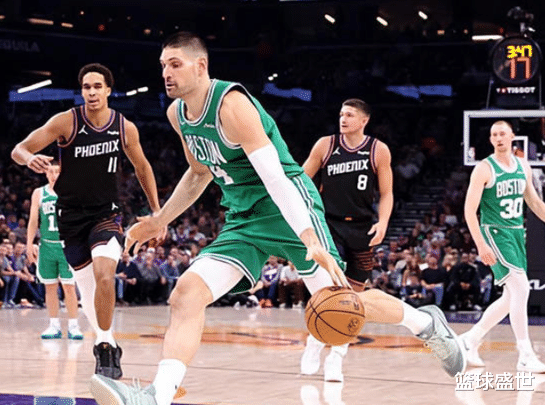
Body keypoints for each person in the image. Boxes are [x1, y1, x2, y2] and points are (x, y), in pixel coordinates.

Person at [90, 32, 466, 405]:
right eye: (163, 66)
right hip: (243, 217)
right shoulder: (177, 114)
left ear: (200, 66)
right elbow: (199, 173)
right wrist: (160, 219)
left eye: (175, 64)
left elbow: (276, 179)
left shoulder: (232, 106)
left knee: (342, 301)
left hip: (287, 207)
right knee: (185, 295)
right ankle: (157, 396)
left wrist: (310, 239)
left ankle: (426, 324)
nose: (166, 73)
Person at [11, 62, 162, 379]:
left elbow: (142, 167)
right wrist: (29, 158)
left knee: (105, 275)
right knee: (88, 292)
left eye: (97, 87)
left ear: (108, 90)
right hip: (70, 218)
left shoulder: (124, 127)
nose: (91, 92)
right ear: (81, 91)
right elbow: (19, 149)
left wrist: (157, 213)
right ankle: (109, 343)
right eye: (86, 87)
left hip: (106, 214)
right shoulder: (66, 121)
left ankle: (104, 348)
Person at [300, 98, 394, 381]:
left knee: (354, 297)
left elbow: (387, 193)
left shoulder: (378, 150)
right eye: (341, 114)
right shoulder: (326, 145)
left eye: (350, 115)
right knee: (330, 289)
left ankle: (336, 355)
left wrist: (383, 222)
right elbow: (301, 180)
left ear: (364, 120)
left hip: (362, 227)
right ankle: (316, 343)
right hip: (330, 224)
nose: (343, 119)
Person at [459, 120, 545, 372]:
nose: (498, 138)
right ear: (490, 139)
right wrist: (481, 245)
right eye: (494, 134)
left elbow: (534, 203)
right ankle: (525, 354)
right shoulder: (484, 169)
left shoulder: (523, 166)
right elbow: (469, 211)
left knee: (510, 297)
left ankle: (469, 340)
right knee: (521, 288)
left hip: (517, 233)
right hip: (495, 233)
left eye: (502, 134)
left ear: (512, 137)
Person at [26, 162, 83, 340]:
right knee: (50, 287)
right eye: (50, 171)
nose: (53, 175)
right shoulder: (39, 193)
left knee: (69, 287)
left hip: (67, 245)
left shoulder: (72, 191)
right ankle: (53, 325)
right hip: (47, 245)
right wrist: (29, 244)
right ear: (45, 173)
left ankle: (73, 326)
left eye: (57, 171)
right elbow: (33, 221)